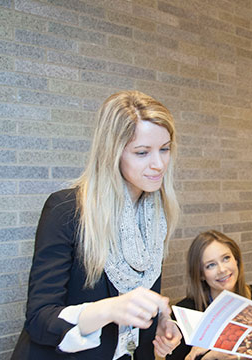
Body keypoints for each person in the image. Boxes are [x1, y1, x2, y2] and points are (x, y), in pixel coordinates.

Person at [12, 90, 182, 359]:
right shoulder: (66, 210)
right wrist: (110, 309)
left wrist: (161, 323)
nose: (158, 164)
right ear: (112, 153)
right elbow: (40, 321)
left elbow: (137, 309)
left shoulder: (155, 217)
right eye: (142, 152)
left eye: (164, 149)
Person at [168, 230, 252, 360]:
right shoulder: (185, 311)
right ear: (200, 274)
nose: (222, 269)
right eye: (211, 265)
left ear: (236, 260)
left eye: (226, 258)